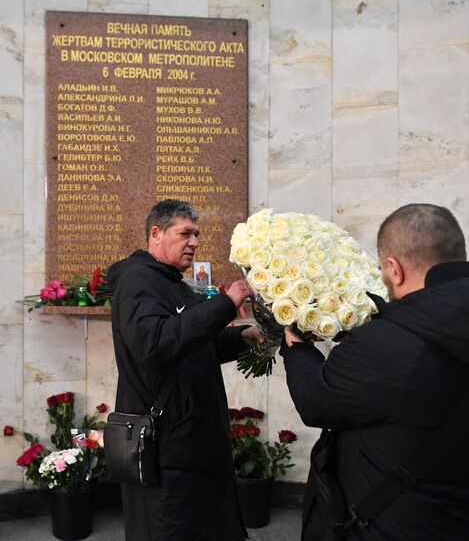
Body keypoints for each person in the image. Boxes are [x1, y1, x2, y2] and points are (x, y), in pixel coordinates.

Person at [281, 203, 469, 540]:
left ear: (394, 270)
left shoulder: (387, 342)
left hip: (396, 523)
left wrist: (296, 344)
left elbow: (316, 401)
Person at [107, 199, 262, 541]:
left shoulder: (172, 282)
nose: (195, 242)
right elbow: (155, 344)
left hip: (193, 444)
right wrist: (225, 303)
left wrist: (242, 337)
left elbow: (192, 347)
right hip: (168, 450)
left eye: (197, 234)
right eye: (186, 233)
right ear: (156, 233)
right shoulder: (138, 280)